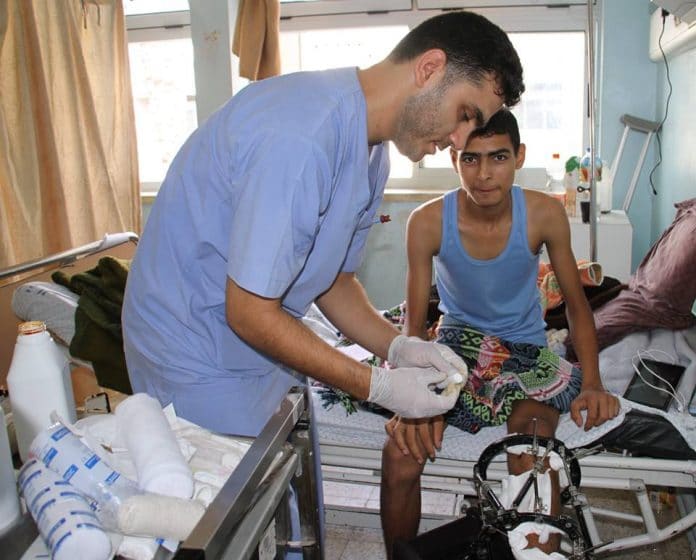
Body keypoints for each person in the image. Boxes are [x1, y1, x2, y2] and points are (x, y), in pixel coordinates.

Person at [122, 10, 524, 437]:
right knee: (239, 479)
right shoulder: (301, 138)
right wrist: (378, 386)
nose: (460, 140)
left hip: (258, 347)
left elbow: (333, 281)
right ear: (429, 69)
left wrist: (398, 347)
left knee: (287, 467)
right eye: (465, 114)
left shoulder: (373, 153)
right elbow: (250, 312)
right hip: (193, 356)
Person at [380, 109, 621, 557]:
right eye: (471, 159)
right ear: (454, 160)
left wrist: (592, 382)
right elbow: (413, 327)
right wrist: (408, 398)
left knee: (533, 446)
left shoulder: (544, 214)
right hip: (456, 351)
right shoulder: (427, 222)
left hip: (526, 354)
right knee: (399, 452)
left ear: (519, 156)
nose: (485, 174)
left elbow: (576, 304)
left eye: (499, 157)